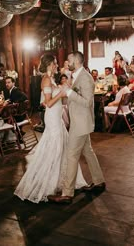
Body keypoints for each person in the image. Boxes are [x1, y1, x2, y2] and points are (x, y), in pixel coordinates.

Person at [14, 53, 87, 203]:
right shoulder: (46, 80)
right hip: (52, 117)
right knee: (54, 147)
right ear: (49, 64)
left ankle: (62, 181)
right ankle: (44, 182)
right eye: (54, 63)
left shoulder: (51, 79)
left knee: (62, 148)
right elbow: (48, 103)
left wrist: (66, 92)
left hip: (57, 117)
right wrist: (61, 93)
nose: (56, 65)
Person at [48, 51, 105, 204]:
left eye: (69, 60)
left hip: (81, 123)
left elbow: (86, 102)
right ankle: (99, 181)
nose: (67, 62)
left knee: (71, 155)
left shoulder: (86, 78)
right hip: (80, 122)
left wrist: (69, 92)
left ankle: (67, 194)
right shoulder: (77, 76)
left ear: (77, 61)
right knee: (88, 151)